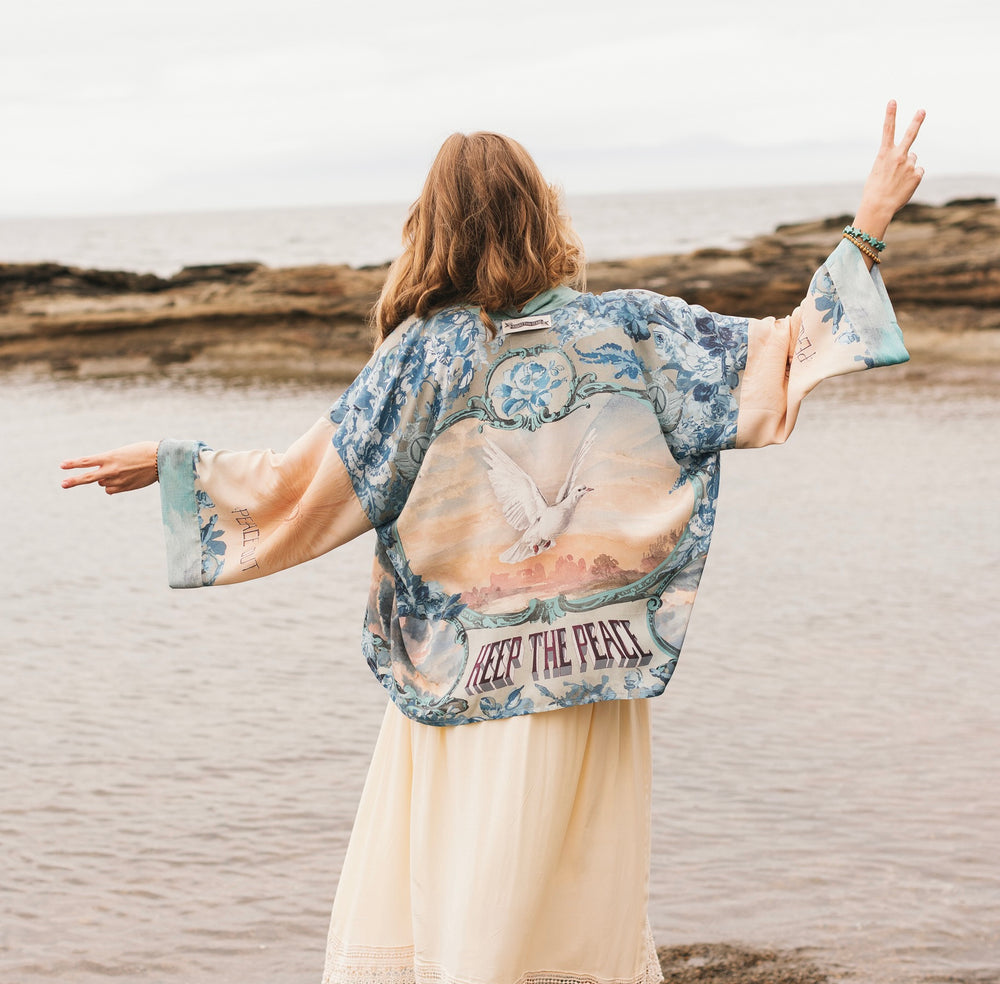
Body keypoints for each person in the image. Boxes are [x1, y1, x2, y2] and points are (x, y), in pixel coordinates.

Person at [61, 102, 925, 984]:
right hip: (593, 673)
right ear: (540, 211)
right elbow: (787, 354)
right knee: (571, 900)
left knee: (464, 895)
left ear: (429, 228)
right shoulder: (629, 329)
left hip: (460, 675)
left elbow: (299, 486)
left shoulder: (422, 358)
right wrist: (871, 222)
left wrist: (175, 467)